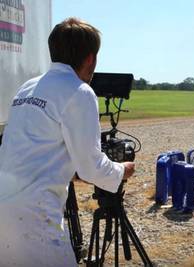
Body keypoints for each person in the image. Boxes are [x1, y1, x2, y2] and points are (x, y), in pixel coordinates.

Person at [0, 18, 135, 266]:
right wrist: (121, 170)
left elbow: (35, 148)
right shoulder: (78, 90)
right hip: (34, 213)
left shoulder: (27, 87)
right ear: (91, 58)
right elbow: (91, 167)